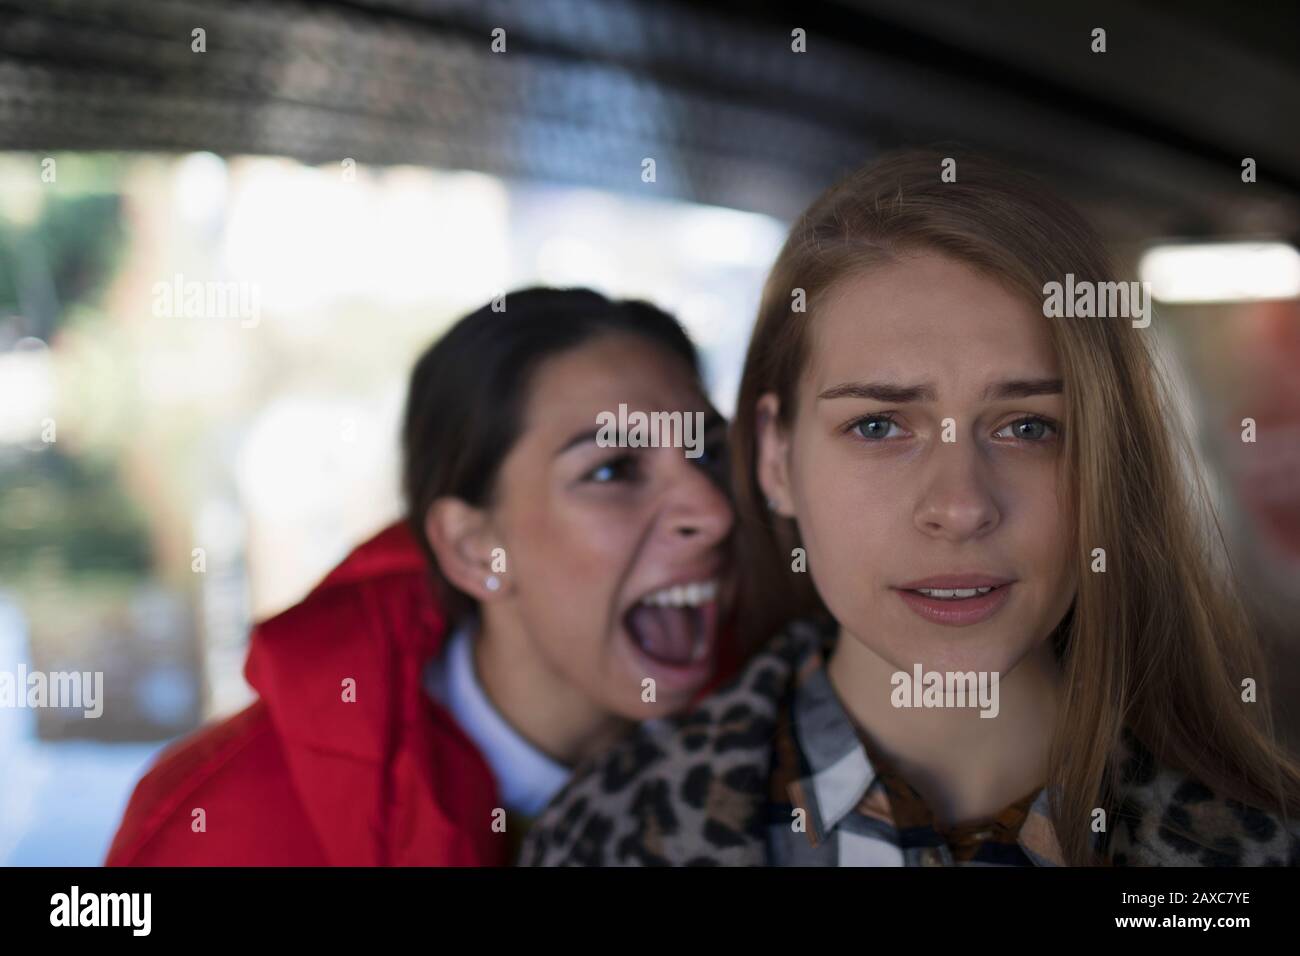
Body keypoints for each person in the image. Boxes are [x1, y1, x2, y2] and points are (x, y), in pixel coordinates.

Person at [519, 154, 1300, 867]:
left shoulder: (1264, 846)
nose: (959, 508)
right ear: (774, 457)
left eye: (1029, 427)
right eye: (879, 426)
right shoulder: (599, 840)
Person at [106, 287, 736, 866]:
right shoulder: (212, 827)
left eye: (709, 453)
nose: (712, 511)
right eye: (613, 470)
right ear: (473, 550)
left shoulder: (797, 730)